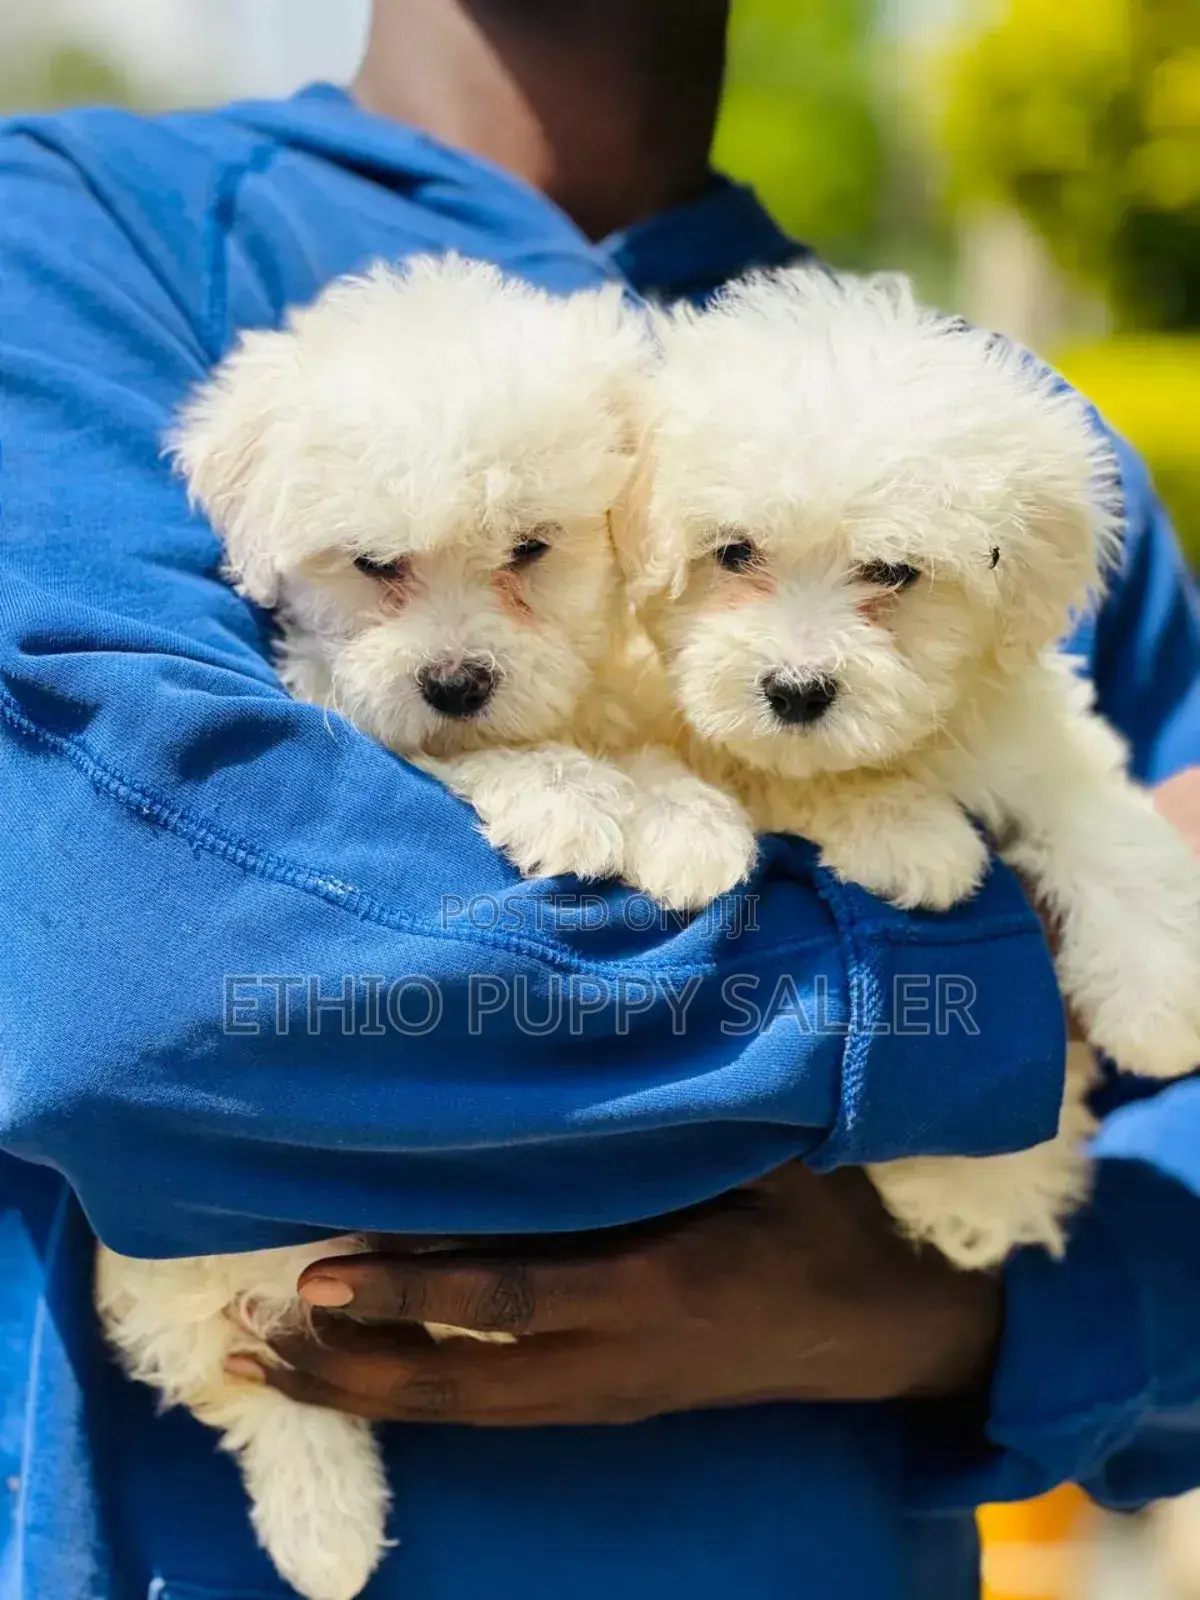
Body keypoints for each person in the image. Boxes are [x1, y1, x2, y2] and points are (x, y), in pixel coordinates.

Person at [1, 2, 1199, 1596]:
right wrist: (973, 986)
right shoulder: (71, 246)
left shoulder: (986, 428)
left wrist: (944, 1313)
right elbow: (156, 980)